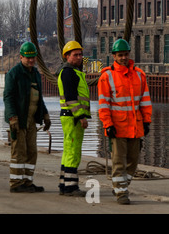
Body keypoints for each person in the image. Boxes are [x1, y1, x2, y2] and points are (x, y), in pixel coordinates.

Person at [98, 39, 152, 205]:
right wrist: (108, 124)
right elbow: (104, 104)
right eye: (120, 55)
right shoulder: (107, 77)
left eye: (125, 54)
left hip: (135, 126)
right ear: (114, 56)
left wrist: (147, 121)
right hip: (117, 127)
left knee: (133, 161)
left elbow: (145, 101)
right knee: (118, 161)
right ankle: (121, 193)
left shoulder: (139, 75)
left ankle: (121, 185)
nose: (123, 58)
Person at [3, 42, 51, 193]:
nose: (31, 61)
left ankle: (27, 182)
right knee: (19, 152)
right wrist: (12, 117)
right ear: (21, 57)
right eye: (28, 58)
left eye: (33, 58)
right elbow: (8, 97)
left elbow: (39, 97)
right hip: (19, 119)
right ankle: (16, 184)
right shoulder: (14, 73)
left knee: (32, 151)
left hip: (31, 120)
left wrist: (45, 114)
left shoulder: (35, 73)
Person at [57, 41, 91, 196]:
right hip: (73, 117)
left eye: (80, 54)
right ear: (67, 56)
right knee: (73, 151)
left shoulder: (72, 72)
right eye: (75, 55)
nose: (79, 57)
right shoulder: (69, 73)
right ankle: (70, 187)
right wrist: (81, 116)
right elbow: (71, 98)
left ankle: (64, 183)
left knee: (68, 150)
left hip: (69, 117)